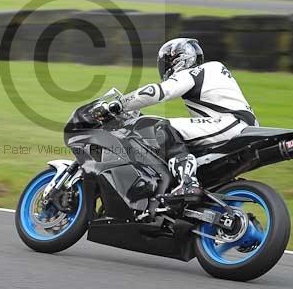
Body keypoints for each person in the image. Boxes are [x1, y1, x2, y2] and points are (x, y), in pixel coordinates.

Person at [91, 38, 257, 196]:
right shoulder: (214, 71)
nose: (165, 68)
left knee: (158, 127)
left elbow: (158, 92)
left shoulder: (193, 73)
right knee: (178, 138)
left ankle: (188, 183)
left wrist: (120, 103)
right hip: (241, 126)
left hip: (229, 124)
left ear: (180, 60)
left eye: (166, 63)